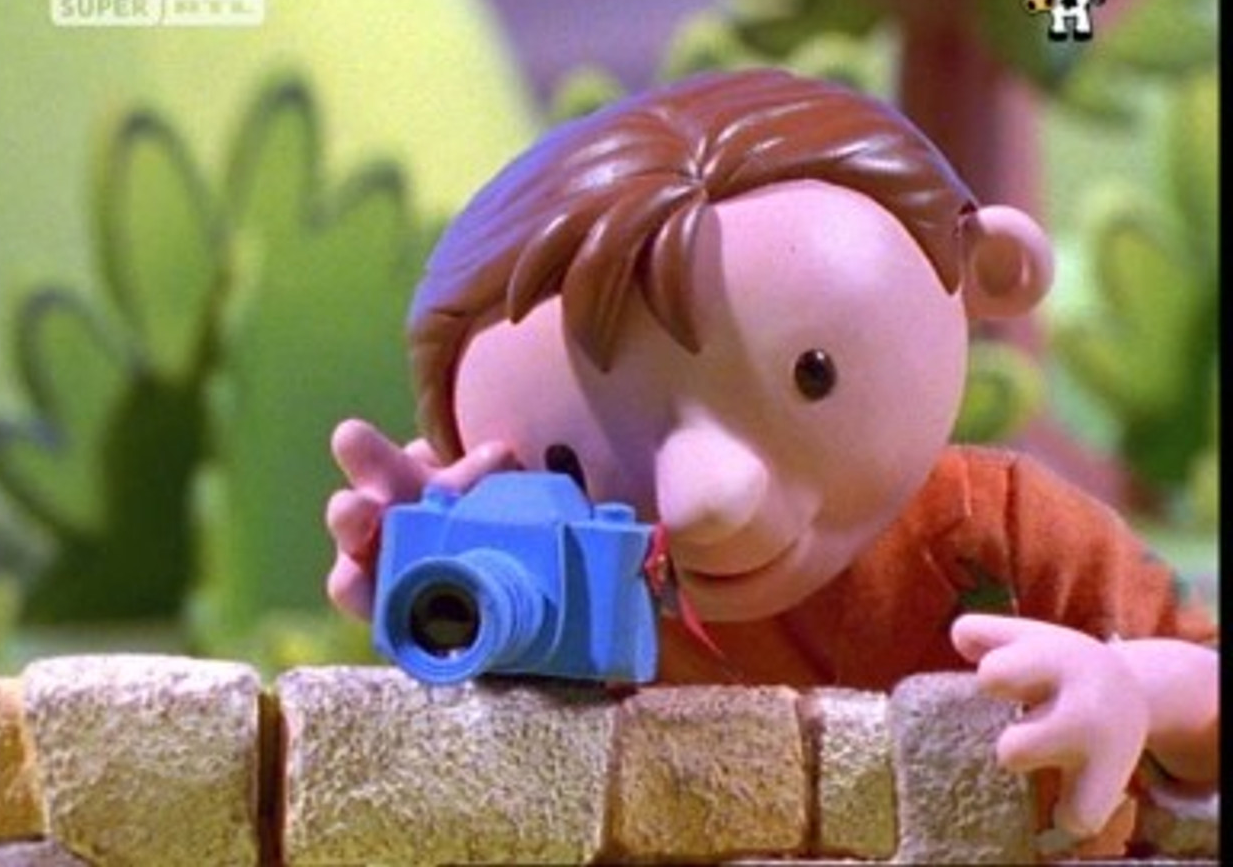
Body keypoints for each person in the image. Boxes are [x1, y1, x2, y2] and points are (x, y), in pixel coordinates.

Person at [323, 69, 1217, 843]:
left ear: (990, 270)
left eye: (812, 374)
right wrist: (450, 610)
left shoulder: (1002, 528)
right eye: (566, 461)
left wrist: (1136, 689)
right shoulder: (585, 591)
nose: (702, 501)